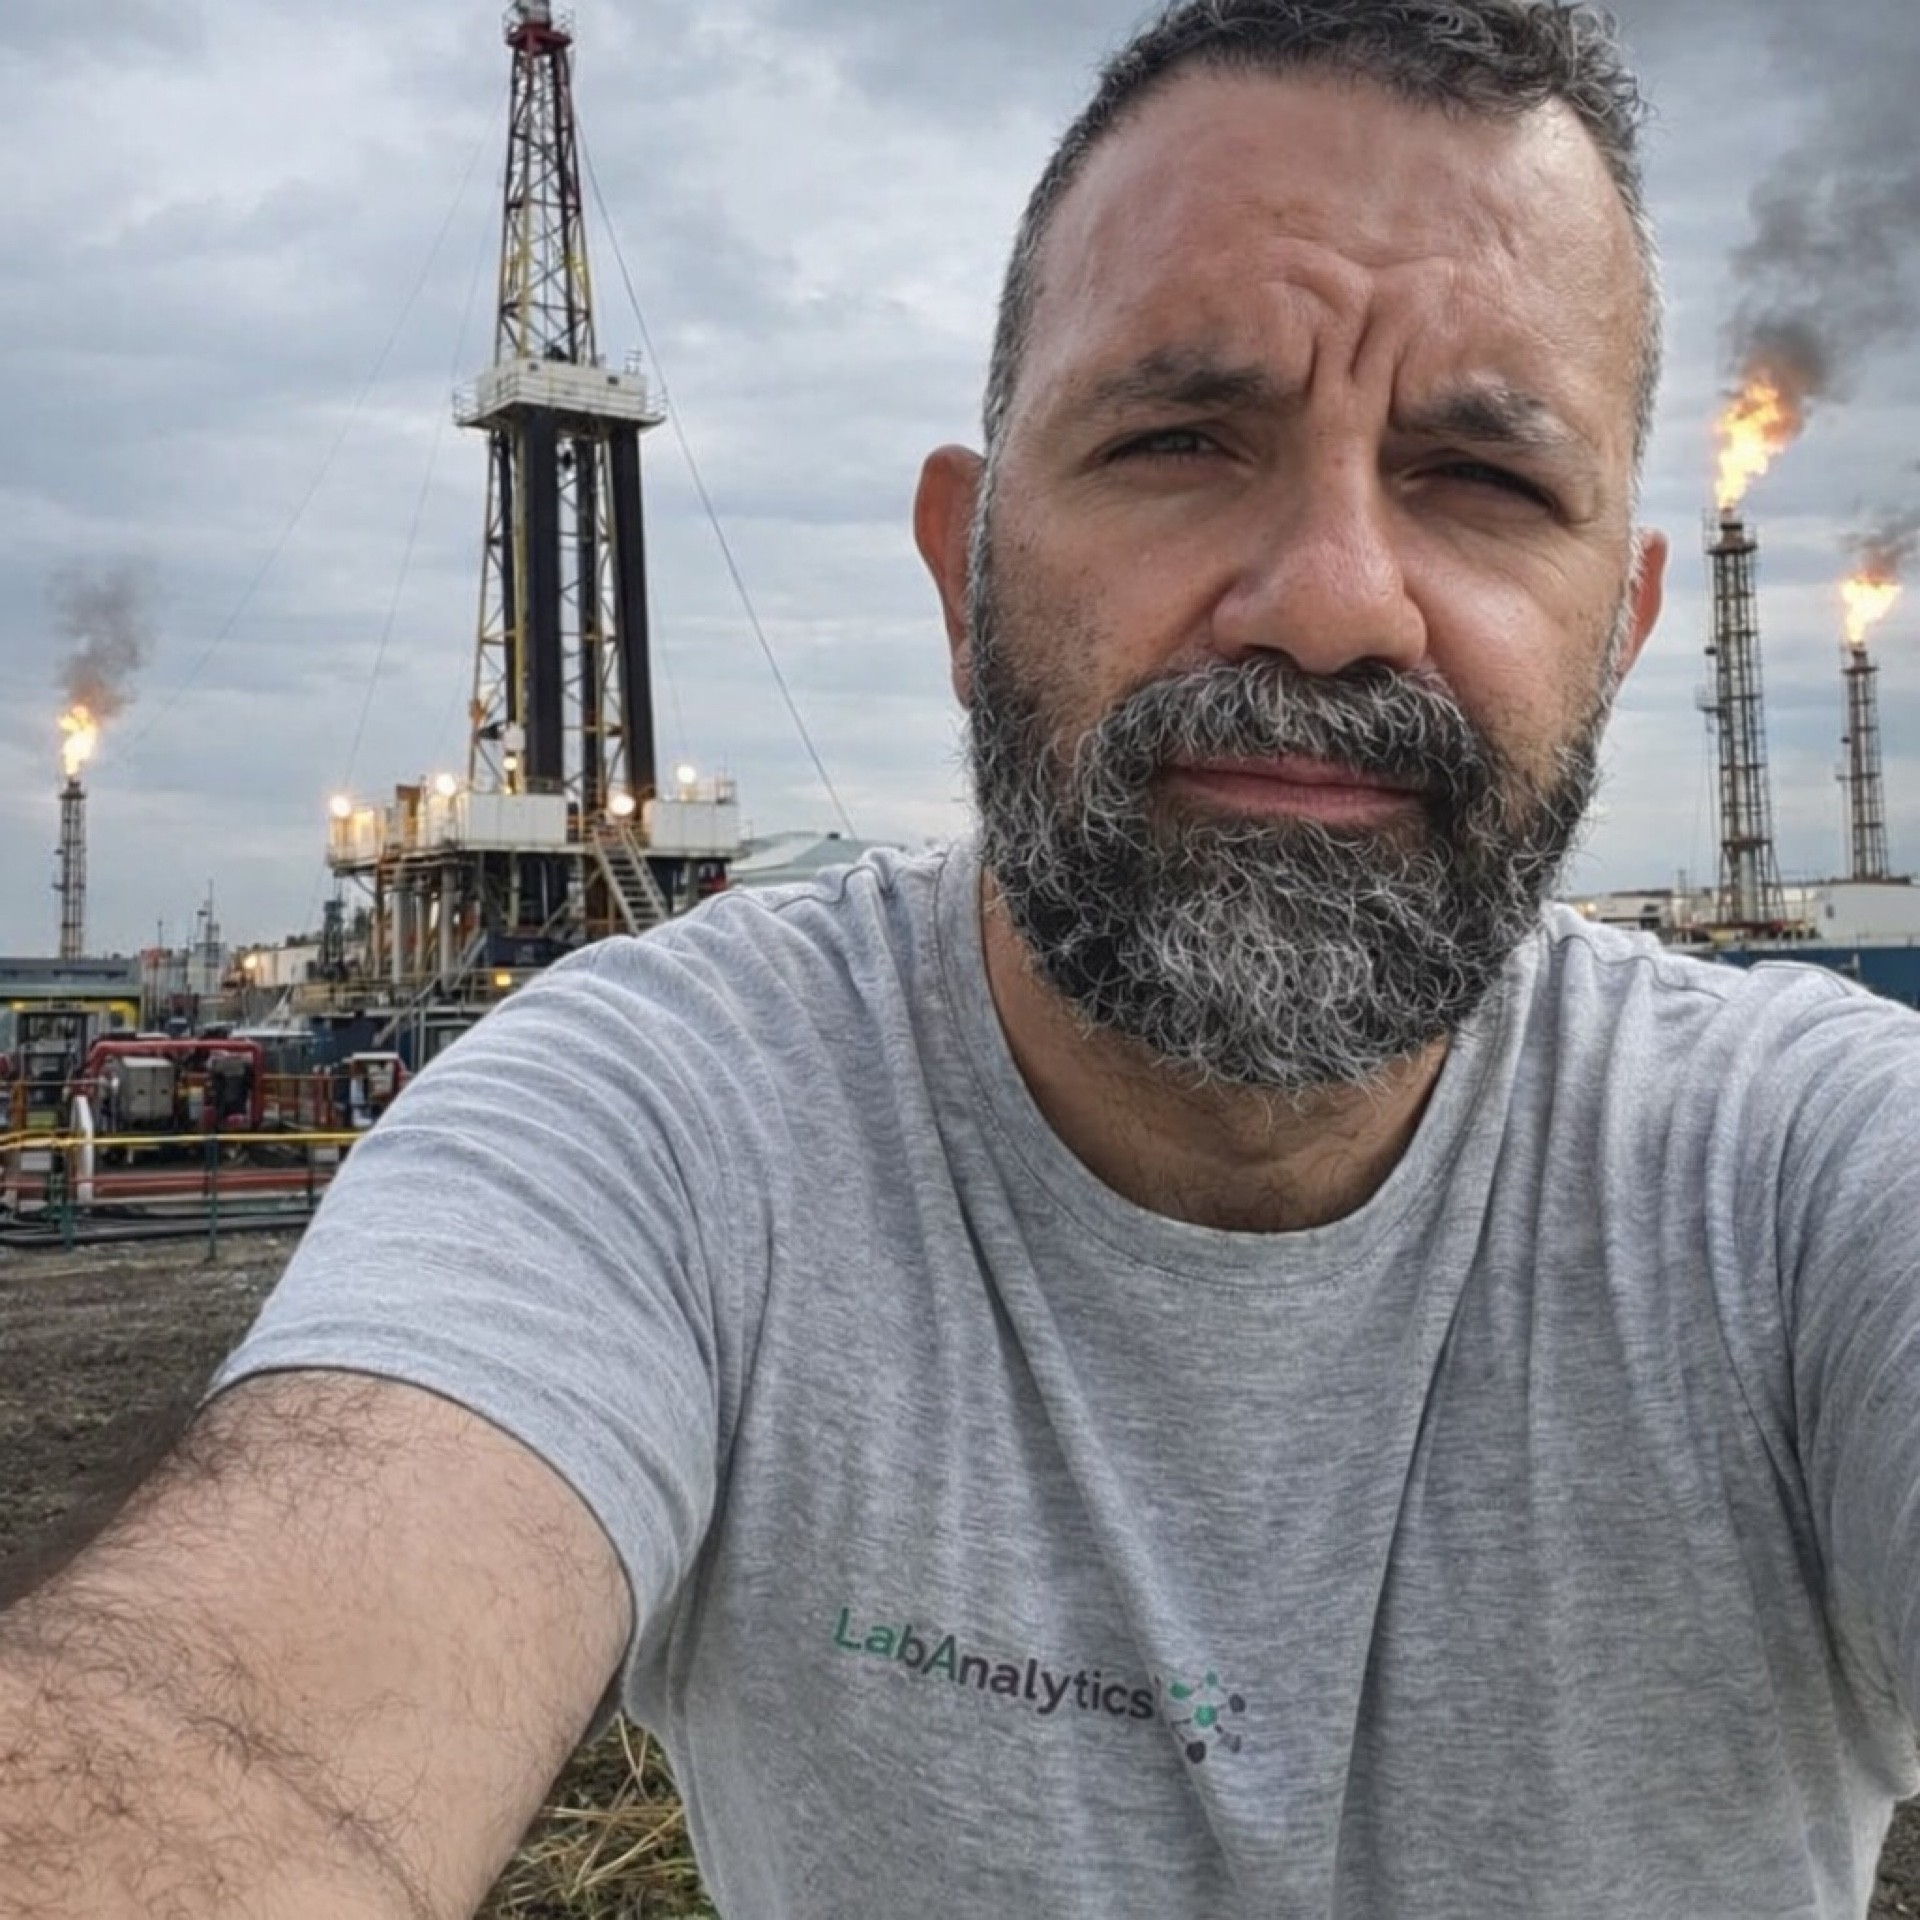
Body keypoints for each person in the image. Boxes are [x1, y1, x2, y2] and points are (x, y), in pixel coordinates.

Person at [2, 1, 1917, 1914]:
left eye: (1483, 480)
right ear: (961, 567)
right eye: (1179, 439)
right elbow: (220, 1734)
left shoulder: (1801, 1178)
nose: (1334, 602)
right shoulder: (669, 1128)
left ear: (1623, 631)